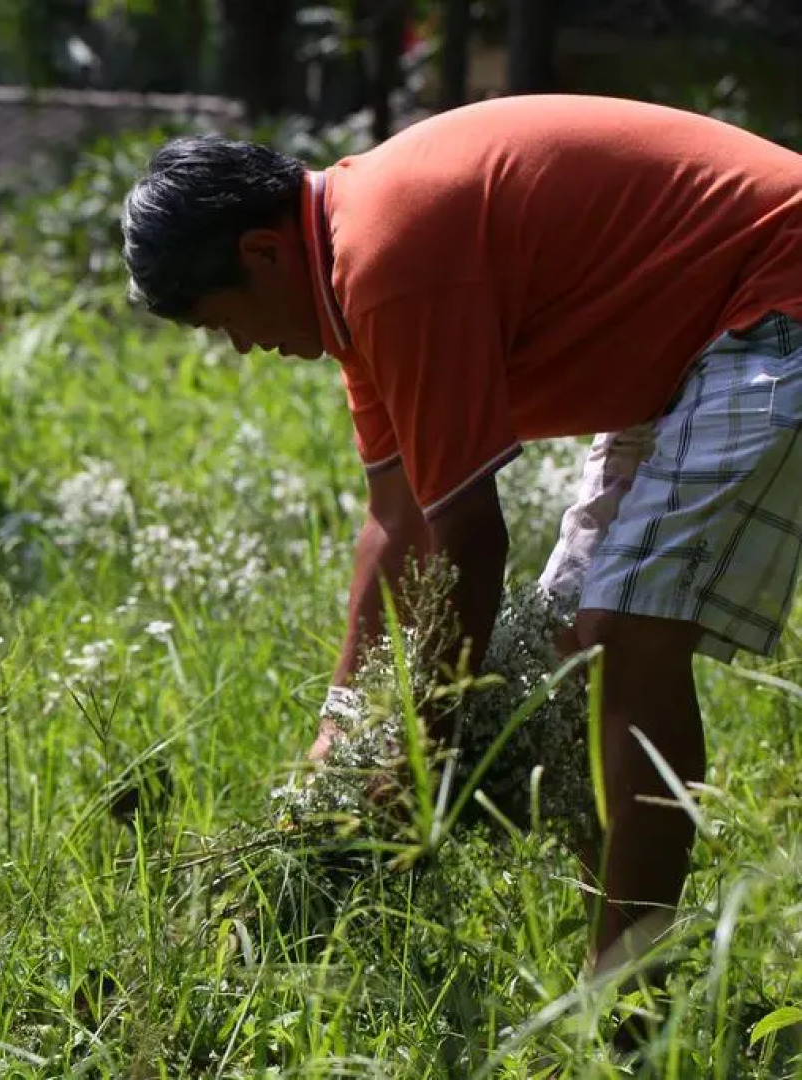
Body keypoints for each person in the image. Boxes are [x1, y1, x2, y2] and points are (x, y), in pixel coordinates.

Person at [118, 94, 802, 990]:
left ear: (262, 252)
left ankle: (628, 1003)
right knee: (570, 661)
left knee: (622, 637)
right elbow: (395, 521)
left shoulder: (385, 257)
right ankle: (617, 972)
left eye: (223, 321)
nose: (241, 347)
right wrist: (341, 734)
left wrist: (421, 752)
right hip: (695, 344)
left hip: (775, 298)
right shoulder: (351, 264)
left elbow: (470, 541)